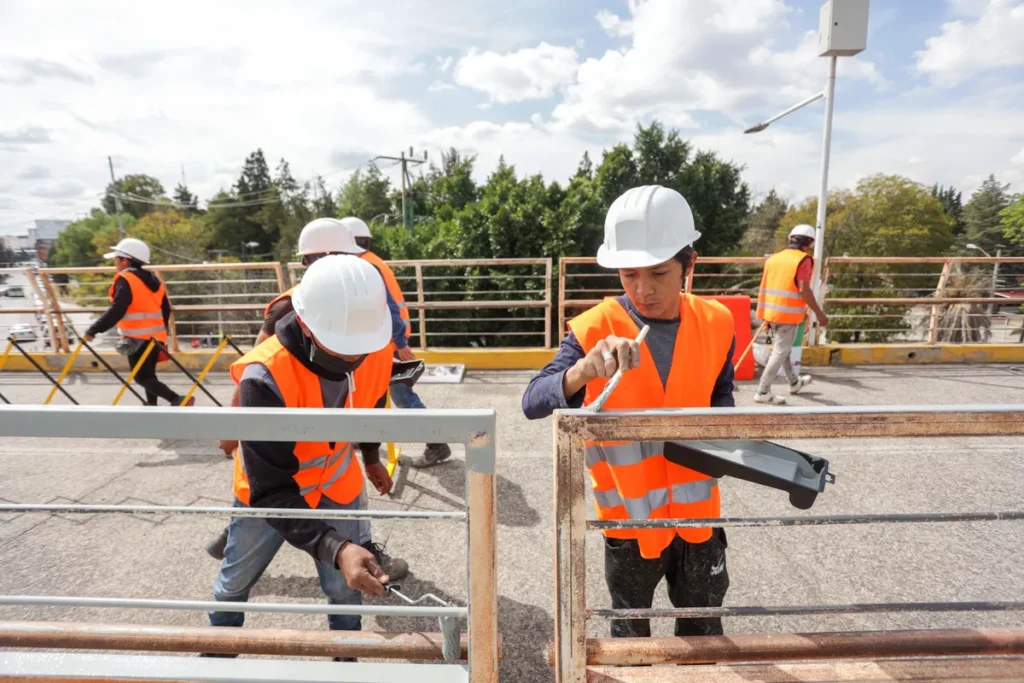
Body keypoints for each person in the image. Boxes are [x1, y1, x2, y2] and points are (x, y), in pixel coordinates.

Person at [522, 185, 735, 639]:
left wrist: (732, 447)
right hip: (628, 522)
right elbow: (532, 400)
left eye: (659, 273)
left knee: (703, 628)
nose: (643, 289)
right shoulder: (595, 328)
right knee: (630, 632)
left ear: (689, 264)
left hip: (699, 517)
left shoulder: (718, 322)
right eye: (629, 274)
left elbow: (721, 396)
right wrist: (582, 370)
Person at [207, 255, 397, 654]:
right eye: (341, 346)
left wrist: (370, 457)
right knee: (234, 583)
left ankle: (345, 659)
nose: (353, 357)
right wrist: (336, 548)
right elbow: (271, 489)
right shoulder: (265, 375)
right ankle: (219, 652)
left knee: (345, 590)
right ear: (306, 324)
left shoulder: (376, 347)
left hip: (337, 484)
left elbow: (373, 404)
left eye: (360, 347)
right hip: (270, 495)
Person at [340, 216, 452, 468]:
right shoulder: (372, 261)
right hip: (386, 339)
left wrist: (399, 343)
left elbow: (388, 308)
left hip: (386, 342)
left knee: (402, 396)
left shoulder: (364, 266)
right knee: (370, 392)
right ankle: (363, 436)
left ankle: (437, 444)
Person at [83, 238, 194, 407]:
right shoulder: (154, 280)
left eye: (117, 259)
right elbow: (165, 308)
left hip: (137, 337)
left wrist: (94, 330)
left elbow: (118, 309)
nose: (115, 263)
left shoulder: (126, 279)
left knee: (141, 377)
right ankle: (152, 406)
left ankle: (177, 399)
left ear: (126, 260)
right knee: (149, 375)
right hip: (156, 336)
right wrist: (160, 330)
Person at [753, 224, 829, 405]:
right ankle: (763, 391)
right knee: (780, 351)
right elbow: (804, 289)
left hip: (771, 312)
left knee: (783, 349)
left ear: (790, 239)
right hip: (788, 314)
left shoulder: (774, 259)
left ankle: (794, 383)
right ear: (810, 243)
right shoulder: (803, 260)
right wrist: (819, 313)